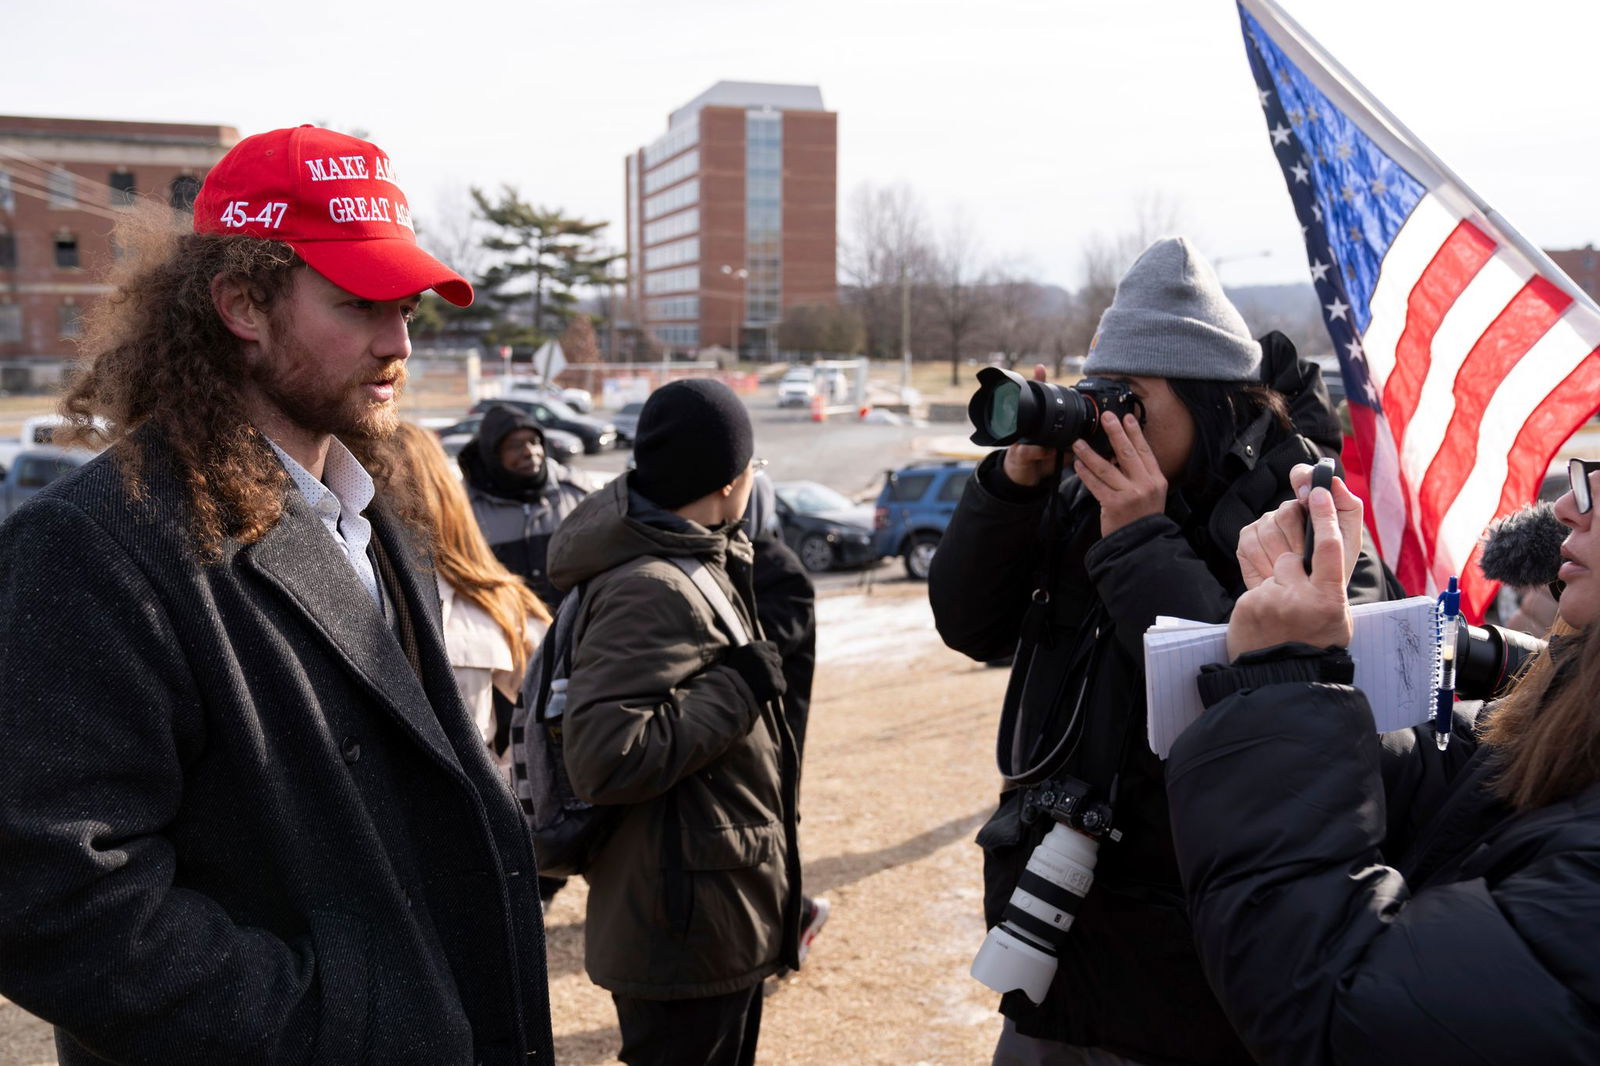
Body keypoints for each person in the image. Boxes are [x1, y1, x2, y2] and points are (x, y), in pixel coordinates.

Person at [0, 126, 554, 1066]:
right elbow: (53, 895)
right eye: (361, 304)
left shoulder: (376, 506)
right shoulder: (94, 546)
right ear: (242, 303)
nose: (399, 343)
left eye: (409, 308)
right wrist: (341, 1028)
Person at [929, 236, 1397, 1066]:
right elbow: (972, 625)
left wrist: (1143, 543)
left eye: (1130, 401)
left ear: (1208, 398)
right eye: (1096, 394)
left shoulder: (1306, 514)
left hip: (1193, 970)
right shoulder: (1085, 496)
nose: (1106, 422)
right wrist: (1014, 486)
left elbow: (1256, 719)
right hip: (1056, 939)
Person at [1167, 460, 1600, 1063]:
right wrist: (1317, 667)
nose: (1566, 508)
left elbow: (1337, 1011)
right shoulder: (1573, 710)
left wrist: (1283, 683)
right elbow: (1458, 786)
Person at [547, 379, 801, 1066]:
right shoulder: (650, 585)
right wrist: (737, 688)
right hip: (682, 922)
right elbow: (605, 757)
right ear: (727, 481)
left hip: (710, 905)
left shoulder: (690, 556)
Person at [384, 421, 551, 762]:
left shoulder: (494, 601)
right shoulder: (317, 591)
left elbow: (563, 708)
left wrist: (508, 792)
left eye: (380, 484)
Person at [744, 471, 831, 966]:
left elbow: (764, 652)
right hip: (741, 737)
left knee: (773, 841)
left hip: (777, 738)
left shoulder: (779, 570)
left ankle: (797, 918)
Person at [460, 403, 589, 609]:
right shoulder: (466, 508)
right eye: (514, 445)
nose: (530, 452)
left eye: (534, 441)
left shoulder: (574, 492)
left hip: (573, 631)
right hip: (507, 631)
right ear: (492, 454)